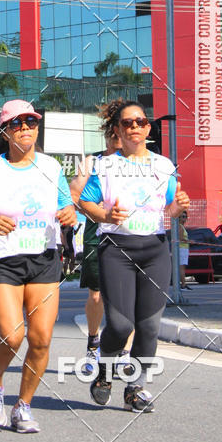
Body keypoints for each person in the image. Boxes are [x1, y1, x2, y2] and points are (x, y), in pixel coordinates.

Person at [0, 99, 76, 434]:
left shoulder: (51, 167)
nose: (25, 128)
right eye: (17, 123)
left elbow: (67, 206)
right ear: (5, 131)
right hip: (3, 259)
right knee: (12, 335)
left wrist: (70, 214)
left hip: (44, 258)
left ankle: (23, 406)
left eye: (31, 122)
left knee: (41, 339)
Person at [80, 100, 189, 413]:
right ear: (118, 129)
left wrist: (178, 206)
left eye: (140, 121)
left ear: (148, 127)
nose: (134, 127)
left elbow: (170, 210)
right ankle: (104, 370)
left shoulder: (164, 166)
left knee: (149, 326)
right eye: (127, 123)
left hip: (155, 249)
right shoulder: (106, 166)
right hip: (116, 249)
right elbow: (85, 202)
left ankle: (135, 388)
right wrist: (106, 215)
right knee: (120, 324)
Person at [70, 100, 130, 377]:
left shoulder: (139, 162)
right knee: (96, 296)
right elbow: (74, 194)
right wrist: (95, 211)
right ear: (107, 133)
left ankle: (124, 353)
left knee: (128, 297)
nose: (117, 138)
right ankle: (93, 345)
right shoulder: (92, 162)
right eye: (113, 132)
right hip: (98, 234)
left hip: (131, 235)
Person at [178, 211, 191, 290]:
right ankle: (183, 284)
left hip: (184, 248)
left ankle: (183, 283)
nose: (184, 218)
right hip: (182, 248)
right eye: (182, 216)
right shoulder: (179, 227)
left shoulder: (182, 226)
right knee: (181, 267)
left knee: (183, 267)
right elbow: (180, 238)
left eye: (185, 217)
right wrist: (189, 241)